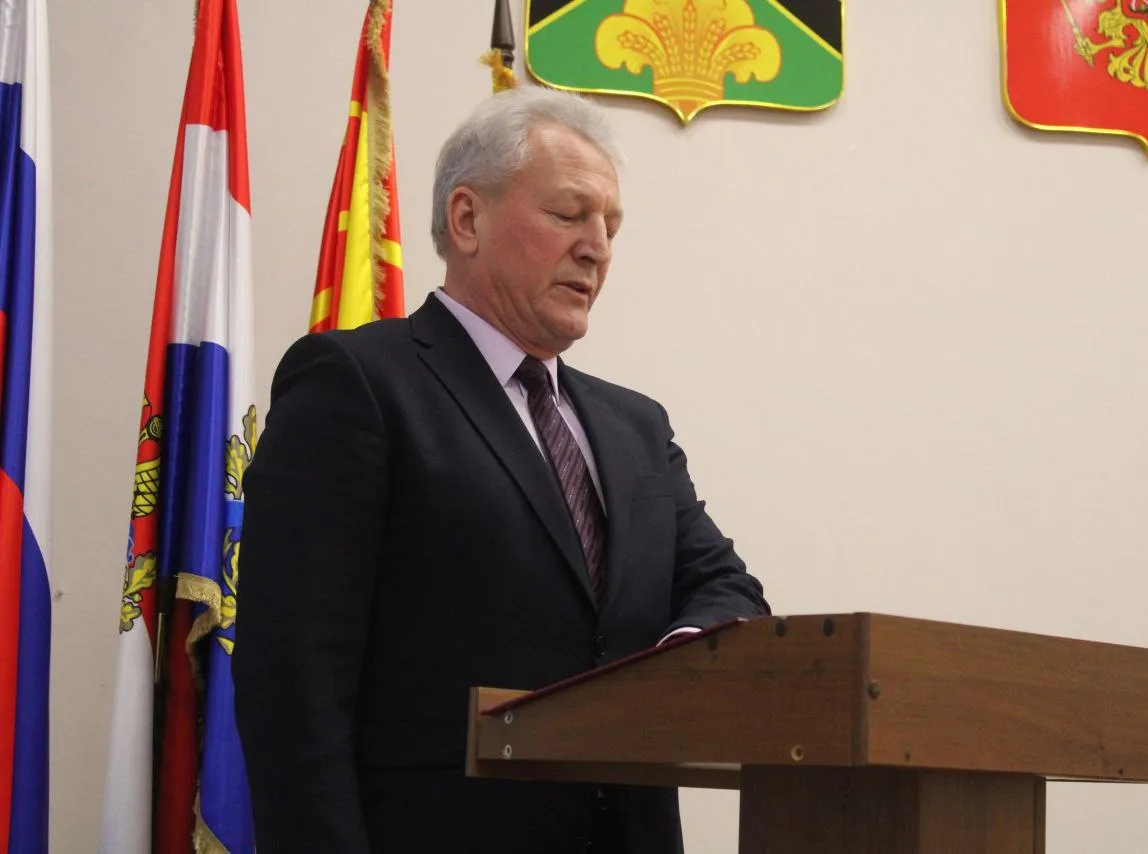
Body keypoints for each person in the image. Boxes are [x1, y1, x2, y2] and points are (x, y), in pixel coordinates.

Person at [232, 84, 770, 853]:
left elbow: (726, 586)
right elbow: (293, 685)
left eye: (611, 225)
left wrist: (679, 656)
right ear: (467, 220)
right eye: (569, 214)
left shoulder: (636, 428)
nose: (597, 248)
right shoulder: (359, 385)